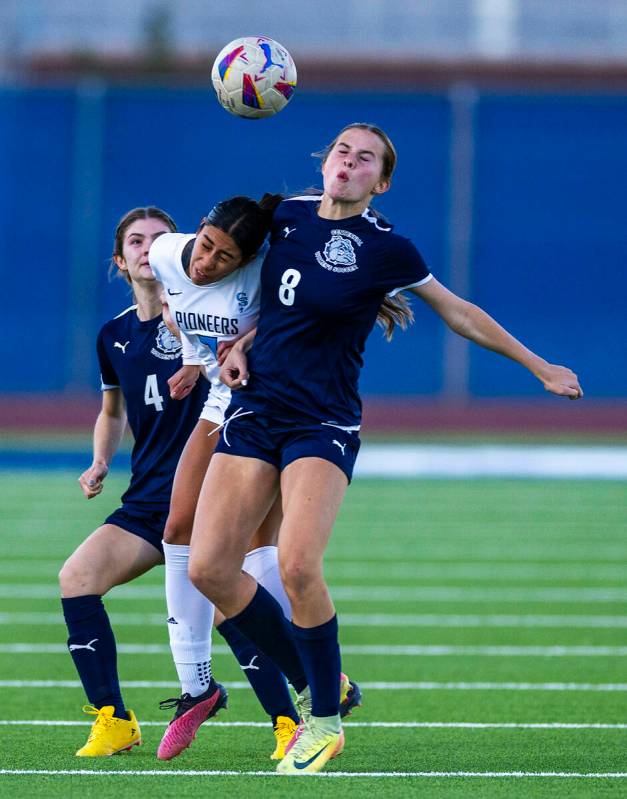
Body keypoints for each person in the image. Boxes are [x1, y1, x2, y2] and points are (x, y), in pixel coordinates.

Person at [187, 122, 584, 775]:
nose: (349, 161)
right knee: (208, 567)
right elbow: (258, 295)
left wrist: (537, 365)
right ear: (326, 161)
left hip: (322, 422)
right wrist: (239, 343)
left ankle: (322, 720)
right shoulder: (281, 218)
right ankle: (325, 680)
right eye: (342, 150)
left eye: (365, 157)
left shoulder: (385, 248)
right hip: (255, 408)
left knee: (297, 566)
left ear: (381, 180)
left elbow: (457, 311)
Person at [148, 197, 361, 761]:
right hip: (220, 399)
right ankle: (206, 684)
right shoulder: (168, 254)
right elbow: (178, 303)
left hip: (260, 405)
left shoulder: (264, 270)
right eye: (207, 245)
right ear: (197, 229)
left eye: (225, 257)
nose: (207, 262)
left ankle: (296, 686)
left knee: (239, 549)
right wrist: (194, 355)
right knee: (186, 536)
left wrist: (243, 343)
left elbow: (299, 316)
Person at [59, 206, 208, 756]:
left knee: (232, 601)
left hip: (212, 494)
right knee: (76, 578)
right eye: (137, 241)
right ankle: (114, 718)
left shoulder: (205, 316)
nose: (149, 248)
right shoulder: (114, 335)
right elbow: (112, 411)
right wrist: (100, 461)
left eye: (162, 239)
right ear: (120, 261)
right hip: (147, 499)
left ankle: (296, 715)